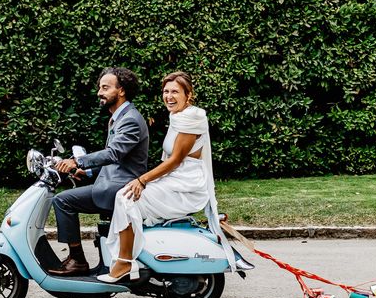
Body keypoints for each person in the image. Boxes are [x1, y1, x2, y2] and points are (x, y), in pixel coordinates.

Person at [97, 71, 236, 283]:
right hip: (175, 178)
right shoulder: (179, 115)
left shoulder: (191, 118)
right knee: (125, 196)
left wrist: (142, 180)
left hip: (185, 184)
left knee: (125, 198)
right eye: (166, 91)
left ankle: (125, 262)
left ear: (188, 95)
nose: (169, 96)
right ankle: (133, 258)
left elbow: (175, 160)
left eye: (175, 92)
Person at [48, 67, 149, 276]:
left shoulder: (130, 119)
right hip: (113, 181)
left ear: (121, 90)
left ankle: (77, 260)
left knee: (62, 201)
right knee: (65, 199)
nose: (99, 92)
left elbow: (114, 153)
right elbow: (119, 160)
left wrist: (78, 162)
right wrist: (89, 173)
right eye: (100, 87)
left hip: (120, 187)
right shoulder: (119, 117)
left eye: (105, 88)